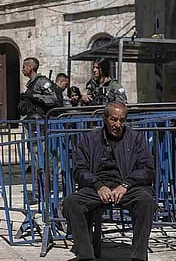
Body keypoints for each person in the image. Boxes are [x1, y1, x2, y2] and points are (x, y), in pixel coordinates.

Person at [63, 101, 156, 261]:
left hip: (127, 186)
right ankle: (85, 256)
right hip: (98, 186)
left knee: (145, 201)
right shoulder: (90, 139)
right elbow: (80, 170)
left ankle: (138, 257)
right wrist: (98, 185)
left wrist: (126, 185)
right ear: (105, 119)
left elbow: (147, 169)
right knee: (72, 202)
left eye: (122, 120)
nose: (118, 124)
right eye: (114, 119)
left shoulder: (135, 138)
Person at [18, 57, 63, 172]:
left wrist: (34, 96)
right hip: (32, 123)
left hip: (41, 123)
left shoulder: (42, 82)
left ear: (30, 67)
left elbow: (54, 99)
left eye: (24, 67)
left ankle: (47, 181)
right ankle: (40, 182)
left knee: (41, 151)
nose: (22, 69)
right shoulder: (31, 83)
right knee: (35, 152)